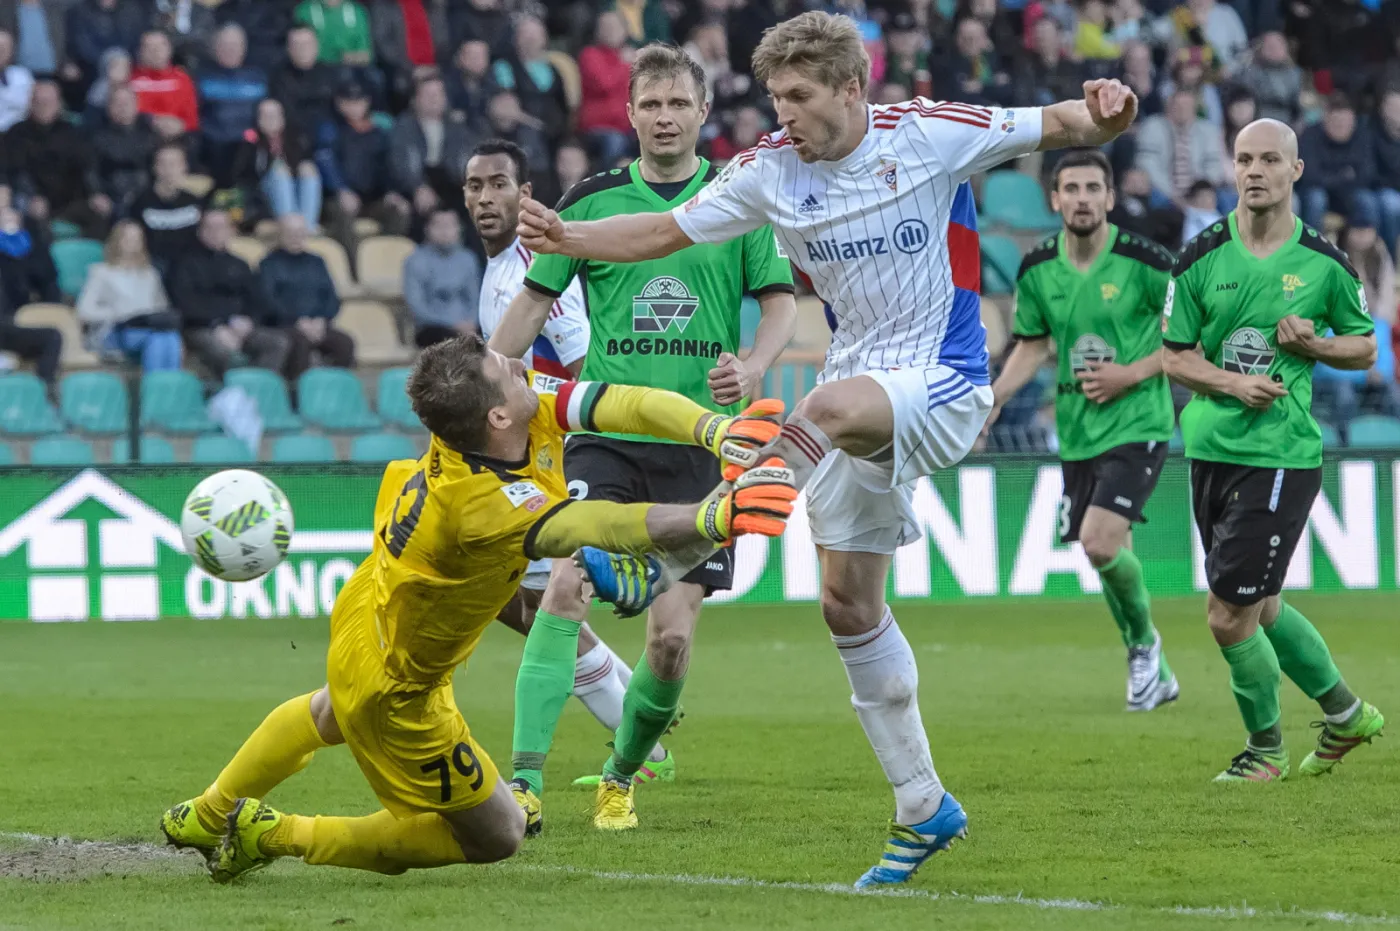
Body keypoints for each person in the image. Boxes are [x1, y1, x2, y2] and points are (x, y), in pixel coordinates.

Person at [516, 10, 1138, 887]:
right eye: (775, 97)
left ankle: (692, 538)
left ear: (852, 88)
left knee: (817, 403)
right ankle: (923, 806)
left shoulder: (927, 133)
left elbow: (1065, 123)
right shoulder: (771, 167)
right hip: (855, 390)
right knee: (848, 606)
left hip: (944, 381)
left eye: (799, 96)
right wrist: (569, 238)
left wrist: (1105, 112)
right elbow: (665, 230)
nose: (785, 114)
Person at [157, 334, 798, 881]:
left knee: (329, 708)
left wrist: (715, 429)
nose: (520, 368)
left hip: (369, 599)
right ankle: (273, 835)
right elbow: (587, 522)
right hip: (399, 689)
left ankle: (208, 812)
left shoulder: (510, 415)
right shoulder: (478, 505)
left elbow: (619, 400)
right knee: (498, 834)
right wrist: (711, 515)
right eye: (505, 369)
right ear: (496, 417)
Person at [489, 44, 797, 830]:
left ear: (703, 112)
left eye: (677, 104)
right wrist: (489, 375)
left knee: (671, 643)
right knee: (562, 584)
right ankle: (523, 781)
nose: (663, 117)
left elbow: (778, 303)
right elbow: (531, 305)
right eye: (650, 104)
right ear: (628, 113)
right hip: (611, 432)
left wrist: (755, 365)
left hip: (702, 448)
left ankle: (619, 775)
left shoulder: (737, 201)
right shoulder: (588, 202)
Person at [1161, 118, 1385, 782]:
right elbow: (1173, 356)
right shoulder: (1199, 256)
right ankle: (1347, 715)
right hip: (1211, 449)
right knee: (1263, 606)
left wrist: (1313, 346)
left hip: (1283, 455)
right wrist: (1231, 381)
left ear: (1296, 171)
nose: (1253, 170)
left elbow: (1365, 345)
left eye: (1268, 160)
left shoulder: (1324, 263)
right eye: (1243, 159)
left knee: (1227, 616)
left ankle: (1265, 751)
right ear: (1232, 169)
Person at [466, 139, 669, 831]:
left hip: (554, 460)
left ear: (526, 193)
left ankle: (634, 743)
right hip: (524, 456)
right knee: (518, 604)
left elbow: (583, 360)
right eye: (474, 186)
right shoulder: (497, 268)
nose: (485, 196)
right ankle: (642, 736)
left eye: (499, 184)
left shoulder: (531, 266)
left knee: (538, 600)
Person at [986, 149, 1179, 712]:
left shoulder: (1147, 262)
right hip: (1078, 429)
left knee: (1098, 542)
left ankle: (1144, 648)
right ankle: (1153, 670)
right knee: (1109, 555)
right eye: (1071, 189)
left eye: (1094, 188)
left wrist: (1130, 374)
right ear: (1054, 199)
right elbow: (1034, 342)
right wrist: (996, 397)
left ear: (1110, 198)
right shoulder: (1038, 267)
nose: (1083, 199)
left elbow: (1184, 343)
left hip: (1139, 419)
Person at [168, 209, 289, 377]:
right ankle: (231, 396)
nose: (216, 233)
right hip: (202, 326)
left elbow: (257, 299)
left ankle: (257, 390)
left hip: (239, 325)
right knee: (223, 352)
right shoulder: (184, 263)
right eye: (210, 227)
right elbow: (186, 303)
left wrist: (249, 321)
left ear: (231, 231)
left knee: (278, 343)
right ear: (200, 231)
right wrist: (217, 324)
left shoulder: (240, 264)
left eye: (221, 227)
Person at [76, 220, 183, 371]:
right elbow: (84, 311)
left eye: (137, 239)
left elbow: (160, 307)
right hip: (114, 330)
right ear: (117, 241)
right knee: (155, 339)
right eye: (127, 239)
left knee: (170, 338)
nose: (132, 244)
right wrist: (116, 313)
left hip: (147, 327)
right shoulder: (101, 272)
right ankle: (155, 388)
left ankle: (167, 387)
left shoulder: (150, 274)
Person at [258, 214, 354, 379]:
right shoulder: (269, 264)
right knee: (300, 344)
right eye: (290, 232)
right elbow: (269, 301)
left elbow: (331, 297)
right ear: (281, 234)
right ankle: (298, 395)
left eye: (300, 232)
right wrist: (298, 322)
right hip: (285, 325)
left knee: (345, 343)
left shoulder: (317, 262)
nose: (295, 237)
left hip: (318, 324)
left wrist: (321, 320)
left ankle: (332, 390)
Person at [316, 80, 407, 250]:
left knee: (399, 211)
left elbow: (386, 167)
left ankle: (381, 259)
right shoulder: (330, 129)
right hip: (337, 198)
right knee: (342, 212)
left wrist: (390, 192)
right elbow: (326, 163)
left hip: (371, 199)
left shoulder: (377, 132)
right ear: (339, 103)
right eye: (348, 101)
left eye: (358, 101)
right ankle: (354, 270)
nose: (354, 106)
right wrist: (341, 189)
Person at [4, 79, 99, 235]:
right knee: (33, 214)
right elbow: (17, 172)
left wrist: (95, 193)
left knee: (99, 213)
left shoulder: (73, 132)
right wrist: (32, 196)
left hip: (71, 199)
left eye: (49, 102)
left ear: (59, 104)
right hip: (33, 198)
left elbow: (86, 166)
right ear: (30, 103)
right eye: (39, 102)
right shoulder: (16, 134)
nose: (44, 106)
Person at [388, 75, 476, 233]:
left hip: (450, 184)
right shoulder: (403, 128)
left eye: (438, 94)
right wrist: (417, 187)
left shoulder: (457, 128)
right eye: (428, 95)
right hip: (415, 183)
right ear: (415, 100)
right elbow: (401, 164)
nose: (434, 99)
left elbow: (464, 162)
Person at [197, 23, 269, 189]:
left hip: (249, 145)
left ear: (244, 48)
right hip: (212, 145)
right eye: (225, 45)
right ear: (215, 48)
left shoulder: (257, 77)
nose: (230, 50)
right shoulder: (202, 77)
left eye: (235, 46)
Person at [233, 97, 322, 228]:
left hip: (295, 188)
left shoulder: (295, 137)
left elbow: (302, 162)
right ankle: (290, 226)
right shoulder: (250, 141)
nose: (271, 120)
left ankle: (307, 227)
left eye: (274, 115)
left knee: (308, 168)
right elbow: (244, 174)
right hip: (261, 192)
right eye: (266, 116)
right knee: (279, 171)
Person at [404, 208, 481, 347]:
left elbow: (475, 299)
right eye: (439, 225)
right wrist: (453, 324)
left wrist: (471, 322)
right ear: (427, 229)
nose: (445, 231)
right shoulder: (415, 261)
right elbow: (417, 307)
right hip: (432, 327)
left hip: (467, 326)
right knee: (449, 339)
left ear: (459, 229)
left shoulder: (468, 259)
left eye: (450, 225)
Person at [88, 84, 160, 223]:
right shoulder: (96, 137)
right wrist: (97, 194)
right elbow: (91, 171)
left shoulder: (152, 135)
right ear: (109, 107)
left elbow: (156, 169)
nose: (122, 107)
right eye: (117, 103)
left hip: (146, 194)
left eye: (126, 103)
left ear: (137, 105)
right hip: (110, 196)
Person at [131, 143, 204, 275]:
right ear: (154, 167)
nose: (168, 170)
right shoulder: (140, 202)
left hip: (189, 267)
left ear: (184, 167)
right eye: (163, 164)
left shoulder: (194, 202)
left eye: (174, 164)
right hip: (153, 266)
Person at [130, 30, 200, 142]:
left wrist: (181, 126)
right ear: (140, 51)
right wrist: (151, 121)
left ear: (169, 50)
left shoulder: (183, 79)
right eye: (149, 48)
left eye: (160, 47)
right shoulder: (130, 79)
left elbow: (192, 118)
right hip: (142, 136)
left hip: (178, 137)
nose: (155, 52)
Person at [271, 26, 338, 132]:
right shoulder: (278, 77)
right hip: (294, 136)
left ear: (317, 46)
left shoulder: (333, 74)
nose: (302, 49)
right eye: (296, 45)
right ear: (288, 49)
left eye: (307, 44)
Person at [0, 28, 35, 132]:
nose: (0, 52)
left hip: (20, 134)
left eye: (4, 48)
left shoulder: (23, 75)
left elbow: (31, 106)